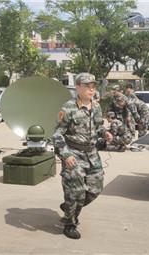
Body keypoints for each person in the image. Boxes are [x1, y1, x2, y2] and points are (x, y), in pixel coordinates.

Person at [52, 72, 113, 239]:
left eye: (93, 86)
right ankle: (70, 223)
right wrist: (66, 155)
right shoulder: (68, 108)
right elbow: (57, 134)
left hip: (92, 154)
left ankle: (70, 205)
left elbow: (99, 126)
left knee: (96, 189)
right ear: (78, 87)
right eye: (87, 86)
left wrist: (105, 133)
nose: (91, 89)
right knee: (75, 191)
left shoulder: (97, 106)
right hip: (74, 154)